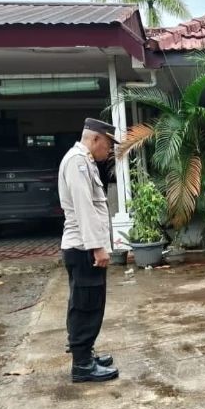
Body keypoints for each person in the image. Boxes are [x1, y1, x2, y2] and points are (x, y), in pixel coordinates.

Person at [58, 118, 120, 383]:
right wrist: (97, 248)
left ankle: (86, 354)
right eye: (108, 145)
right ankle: (82, 365)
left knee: (88, 302)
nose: (109, 151)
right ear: (95, 139)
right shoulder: (77, 162)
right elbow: (84, 208)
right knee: (86, 306)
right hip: (83, 248)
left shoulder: (85, 161)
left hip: (83, 247)